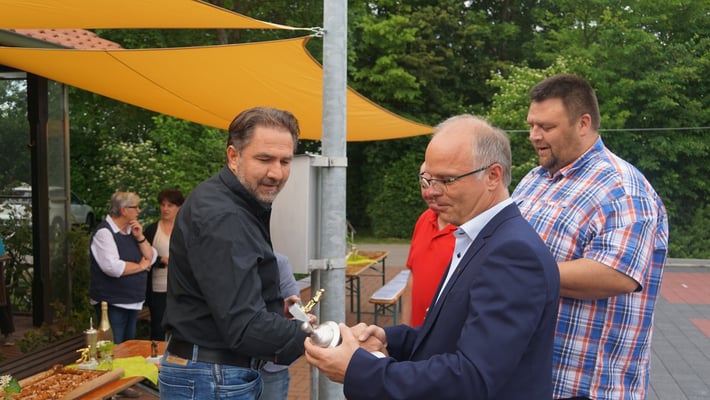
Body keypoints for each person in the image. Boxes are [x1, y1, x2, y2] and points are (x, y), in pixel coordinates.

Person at [305, 114, 561, 399]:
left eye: (447, 180)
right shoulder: (481, 237)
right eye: (427, 178)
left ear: (493, 176)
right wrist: (391, 339)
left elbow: (472, 377)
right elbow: (448, 336)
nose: (432, 191)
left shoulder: (512, 253)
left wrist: (359, 370)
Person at [512, 74, 669, 400]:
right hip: (529, 379)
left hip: (588, 387)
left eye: (546, 127)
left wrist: (515, 272)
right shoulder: (534, 180)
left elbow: (616, 275)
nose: (533, 135)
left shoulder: (623, 188)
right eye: (532, 125)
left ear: (583, 123)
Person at [159, 107, 309, 400]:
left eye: (285, 161)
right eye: (264, 159)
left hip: (211, 370)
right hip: (212, 376)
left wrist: (272, 307)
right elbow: (245, 325)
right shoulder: (223, 215)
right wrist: (317, 336)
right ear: (233, 156)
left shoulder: (232, 202)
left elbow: (223, 294)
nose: (276, 173)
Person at [89, 191, 157, 344]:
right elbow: (112, 267)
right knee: (114, 347)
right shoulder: (104, 233)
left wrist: (140, 237)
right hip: (113, 301)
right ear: (123, 210)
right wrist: (141, 266)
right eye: (135, 207)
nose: (139, 211)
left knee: (128, 346)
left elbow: (151, 256)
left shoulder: (131, 230)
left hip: (132, 300)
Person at [405, 162, 456, 326]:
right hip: (417, 335)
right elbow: (413, 278)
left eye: (439, 183)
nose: (429, 192)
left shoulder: (470, 229)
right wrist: (405, 330)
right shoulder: (425, 218)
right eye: (424, 184)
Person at [143, 188, 184, 341]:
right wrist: (161, 260)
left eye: (170, 205)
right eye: (163, 205)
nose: (165, 209)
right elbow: (143, 255)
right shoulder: (152, 230)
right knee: (158, 327)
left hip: (180, 287)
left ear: (178, 207)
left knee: (179, 328)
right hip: (158, 287)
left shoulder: (185, 228)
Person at [260, 252, 300, 400]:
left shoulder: (278, 262)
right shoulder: (224, 259)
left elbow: (296, 308)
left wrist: (286, 310)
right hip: (229, 365)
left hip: (270, 366)